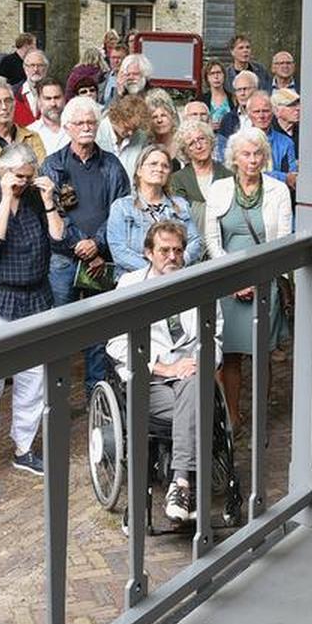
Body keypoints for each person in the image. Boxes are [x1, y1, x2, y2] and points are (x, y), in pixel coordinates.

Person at [0, 142, 68, 489]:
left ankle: (23, 447)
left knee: (33, 380)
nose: (25, 183)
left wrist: (49, 201)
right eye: (19, 177)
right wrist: (7, 198)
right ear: (3, 173)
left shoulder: (36, 200)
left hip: (36, 297)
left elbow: (59, 241)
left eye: (30, 177)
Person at [106, 220, 207, 523]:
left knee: (194, 385)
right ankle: (183, 481)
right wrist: (164, 367)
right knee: (192, 408)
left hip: (190, 377)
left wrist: (202, 361)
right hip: (149, 380)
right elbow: (116, 344)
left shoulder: (199, 283)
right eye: (164, 250)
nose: (172, 257)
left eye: (178, 250)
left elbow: (213, 338)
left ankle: (180, 482)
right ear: (148, 253)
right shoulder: (129, 285)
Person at [201, 127, 292, 429]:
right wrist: (234, 280)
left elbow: (283, 240)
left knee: (261, 351)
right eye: (246, 154)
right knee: (230, 353)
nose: (252, 160)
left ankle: (260, 415)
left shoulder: (278, 190)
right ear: (234, 158)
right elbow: (213, 241)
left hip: (265, 279)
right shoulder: (219, 188)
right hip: (228, 281)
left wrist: (257, 279)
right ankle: (232, 417)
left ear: (265, 157)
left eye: (257, 154)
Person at [41, 95, 129, 389]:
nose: (86, 127)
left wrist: (97, 244)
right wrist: (81, 244)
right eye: (79, 122)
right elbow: (53, 211)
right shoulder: (54, 164)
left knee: (98, 328)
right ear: (66, 127)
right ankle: (56, 392)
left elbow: (121, 209)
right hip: (63, 260)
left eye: (91, 122)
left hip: (100, 261)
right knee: (60, 329)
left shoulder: (112, 165)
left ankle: (96, 391)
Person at [107, 144, 204, 275]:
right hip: (135, 281)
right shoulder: (122, 207)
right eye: (153, 164)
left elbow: (195, 242)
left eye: (165, 166)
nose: (159, 169)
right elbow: (118, 250)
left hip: (175, 276)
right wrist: (155, 271)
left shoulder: (180, 205)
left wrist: (176, 264)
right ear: (139, 170)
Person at [169, 117, 228, 234]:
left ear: (210, 141)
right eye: (191, 143)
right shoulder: (177, 179)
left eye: (201, 139)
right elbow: (181, 215)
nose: (199, 146)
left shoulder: (227, 173)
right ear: (185, 151)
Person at [0, 80, 40, 164]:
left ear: (14, 104)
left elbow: (41, 170)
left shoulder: (31, 138)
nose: (4, 107)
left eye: (8, 101)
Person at [11, 49, 50, 126]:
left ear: (46, 68)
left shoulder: (55, 94)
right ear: (25, 68)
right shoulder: (13, 94)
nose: (35, 70)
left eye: (40, 65)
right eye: (32, 65)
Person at [202, 60, 235, 129]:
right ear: (207, 78)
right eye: (212, 73)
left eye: (219, 73)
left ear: (224, 75)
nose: (216, 77)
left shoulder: (233, 98)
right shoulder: (201, 100)